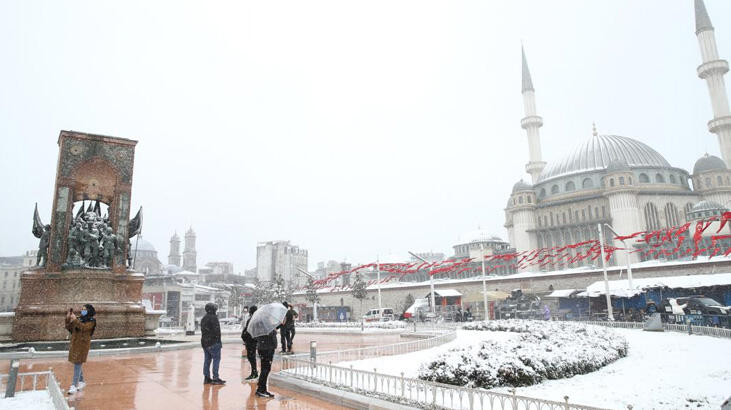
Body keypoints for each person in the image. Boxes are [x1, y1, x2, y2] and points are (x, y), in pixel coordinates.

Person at [65, 304, 96, 394]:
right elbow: (69, 328)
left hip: (82, 345)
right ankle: (81, 381)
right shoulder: (79, 319)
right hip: (75, 344)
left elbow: (83, 328)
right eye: (82, 309)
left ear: (89, 311)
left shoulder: (91, 321)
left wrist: (75, 320)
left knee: (77, 363)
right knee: (77, 362)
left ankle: (74, 385)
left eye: (85, 310)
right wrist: (68, 318)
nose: (83, 311)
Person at [201, 302, 225, 385]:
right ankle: (215, 378)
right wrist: (218, 342)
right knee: (216, 359)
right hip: (213, 343)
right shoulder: (214, 318)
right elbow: (217, 331)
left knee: (207, 360)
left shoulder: (204, 318)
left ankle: (206, 378)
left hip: (205, 343)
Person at [255, 326, 278, 398]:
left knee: (265, 369)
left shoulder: (260, 325)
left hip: (264, 348)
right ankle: (261, 390)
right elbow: (269, 336)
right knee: (265, 370)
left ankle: (262, 388)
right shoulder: (265, 326)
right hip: (266, 349)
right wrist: (273, 331)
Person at [241, 305, 258, 381]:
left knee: (251, 357)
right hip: (253, 340)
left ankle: (254, 372)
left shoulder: (251, 320)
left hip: (250, 341)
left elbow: (248, 330)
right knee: (252, 356)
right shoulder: (257, 319)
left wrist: (245, 337)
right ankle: (254, 372)